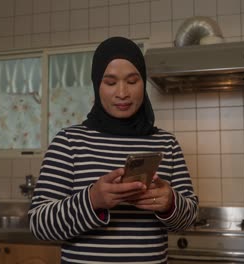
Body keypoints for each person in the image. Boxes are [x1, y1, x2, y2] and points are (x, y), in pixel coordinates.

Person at [28, 36, 198, 264]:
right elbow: (39, 225)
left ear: (143, 82)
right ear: (97, 84)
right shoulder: (68, 141)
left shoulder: (166, 143)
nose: (122, 93)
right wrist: (93, 200)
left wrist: (170, 203)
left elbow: (189, 220)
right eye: (110, 82)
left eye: (132, 80)